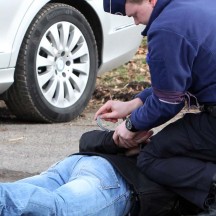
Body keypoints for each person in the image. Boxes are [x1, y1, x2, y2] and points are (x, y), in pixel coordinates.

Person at [95, 0, 216, 215]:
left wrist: (130, 126)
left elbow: (167, 102)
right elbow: (175, 84)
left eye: (134, 14)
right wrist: (132, 105)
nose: (135, 22)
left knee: (152, 157)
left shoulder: (166, 29)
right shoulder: (197, 5)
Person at [0, 129, 201, 216]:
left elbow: (86, 140)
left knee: (17, 200)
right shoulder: (193, 164)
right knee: (59, 209)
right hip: (113, 181)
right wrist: (117, 140)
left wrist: (117, 142)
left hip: (75, 164)